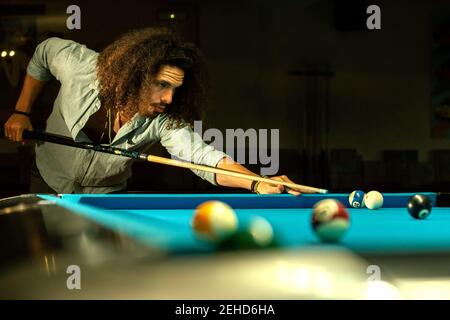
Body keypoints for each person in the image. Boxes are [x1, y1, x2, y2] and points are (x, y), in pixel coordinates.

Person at [4, 27, 300, 195]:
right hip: (46, 179)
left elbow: (202, 159)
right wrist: (22, 111)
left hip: (105, 197)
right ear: (135, 74)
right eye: (161, 85)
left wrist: (258, 181)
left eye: (176, 89)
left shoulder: (164, 120)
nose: (169, 98)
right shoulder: (83, 68)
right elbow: (44, 51)